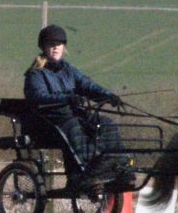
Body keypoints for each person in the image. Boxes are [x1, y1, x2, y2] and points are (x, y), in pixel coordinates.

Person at [23, 24, 123, 189]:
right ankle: (87, 173)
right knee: (75, 126)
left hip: (71, 116)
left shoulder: (69, 70)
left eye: (59, 44)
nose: (55, 48)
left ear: (63, 48)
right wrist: (68, 98)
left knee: (105, 123)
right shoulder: (35, 74)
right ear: (43, 47)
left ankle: (117, 164)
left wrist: (107, 95)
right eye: (51, 44)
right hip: (49, 121)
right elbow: (38, 97)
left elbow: (87, 86)